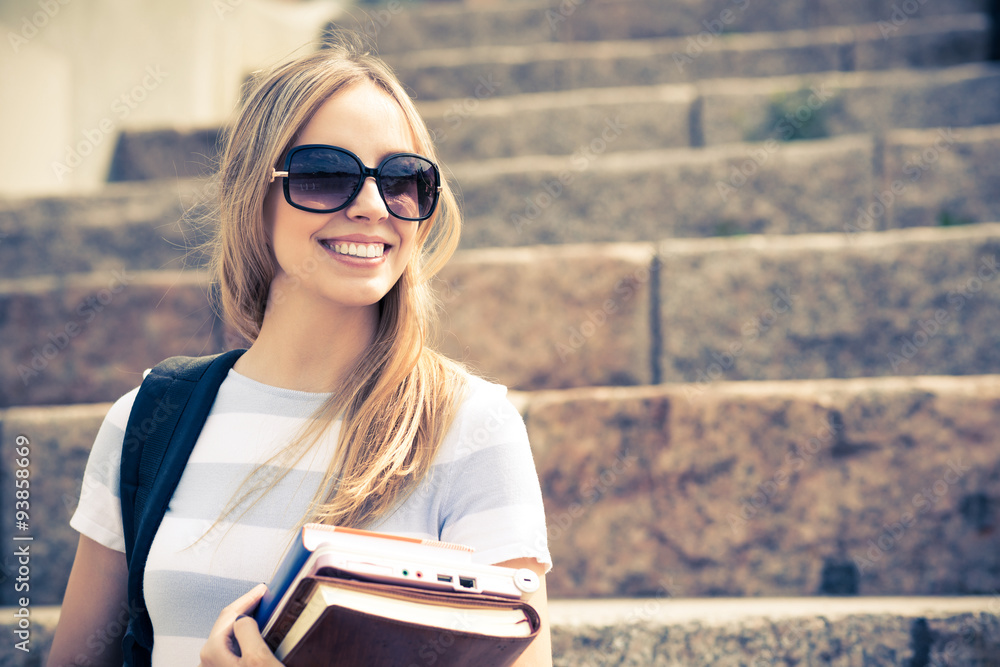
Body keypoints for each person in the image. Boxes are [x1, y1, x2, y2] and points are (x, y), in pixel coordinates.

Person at [46, 39, 552, 667]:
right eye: (326, 175)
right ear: (251, 198)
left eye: (403, 181)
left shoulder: (470, 426)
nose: (372, 206)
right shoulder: (145, 421)